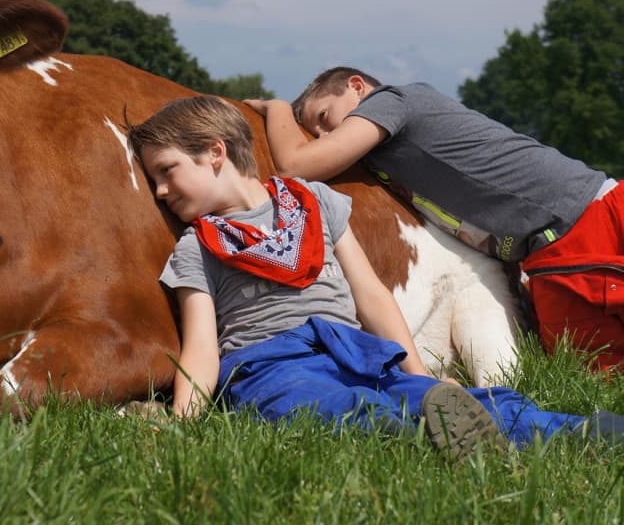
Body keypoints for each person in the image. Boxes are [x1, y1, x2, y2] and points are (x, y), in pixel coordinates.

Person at [128, 95, 622, 457]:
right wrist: (183, 422)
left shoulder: (315, 203)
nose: (160, 191)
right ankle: (442, 437)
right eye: (154, 179)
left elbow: (371, 296)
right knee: (318, 407)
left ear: (215, 153)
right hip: (269, 365)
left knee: (440, 397)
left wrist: (421, 375)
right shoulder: (198, 246)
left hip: (355, 349)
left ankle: (578, 431)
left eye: (167, 171)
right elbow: (201, 348)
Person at [244, 68, 622, 370]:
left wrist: (275, 107)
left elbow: (295, 166)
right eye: (316, 131)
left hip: (592, 213)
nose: (326, 134)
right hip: (550, 256)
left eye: (324, 117)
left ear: (357, 87)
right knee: (589, 367)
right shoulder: (384, 163)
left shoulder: (394, 101)